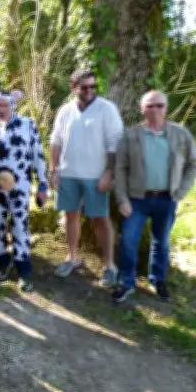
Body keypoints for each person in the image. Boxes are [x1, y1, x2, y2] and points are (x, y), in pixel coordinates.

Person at [111, 90, 196, 303]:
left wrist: (181, 191)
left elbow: (194, 163)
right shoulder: (131, 135)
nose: (154, 110)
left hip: (166, 198)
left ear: (166, 108)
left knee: (161, 242)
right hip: (136, 199)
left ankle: (157, 279)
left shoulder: (180, 134)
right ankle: (126, 282)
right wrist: (122, 199)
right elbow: (120, 169)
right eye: (150, 106)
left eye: (159, 105)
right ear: (142, 109)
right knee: (128, 241)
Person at [49, 69, 124, 287]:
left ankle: (109, 266)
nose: (90, 91)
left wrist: (109, 173)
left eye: (93, 86)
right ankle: (72, 258)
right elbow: (55, 142)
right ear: (73, 87)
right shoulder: (65, 111)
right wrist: (53, 170)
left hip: (96, 176)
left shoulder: (107, 109)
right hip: (68, 173)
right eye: (84, 87)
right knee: (70, 216)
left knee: (100, 220)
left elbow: (115, 143)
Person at [0, 91, 48, 291]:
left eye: (5, 105)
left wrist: (42, 185)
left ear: (13, 105)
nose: (1, 109)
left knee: (19, 225)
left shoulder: (27, 125)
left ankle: (23, 268)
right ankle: (2, 261)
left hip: (20, 187)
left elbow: (38, 155)